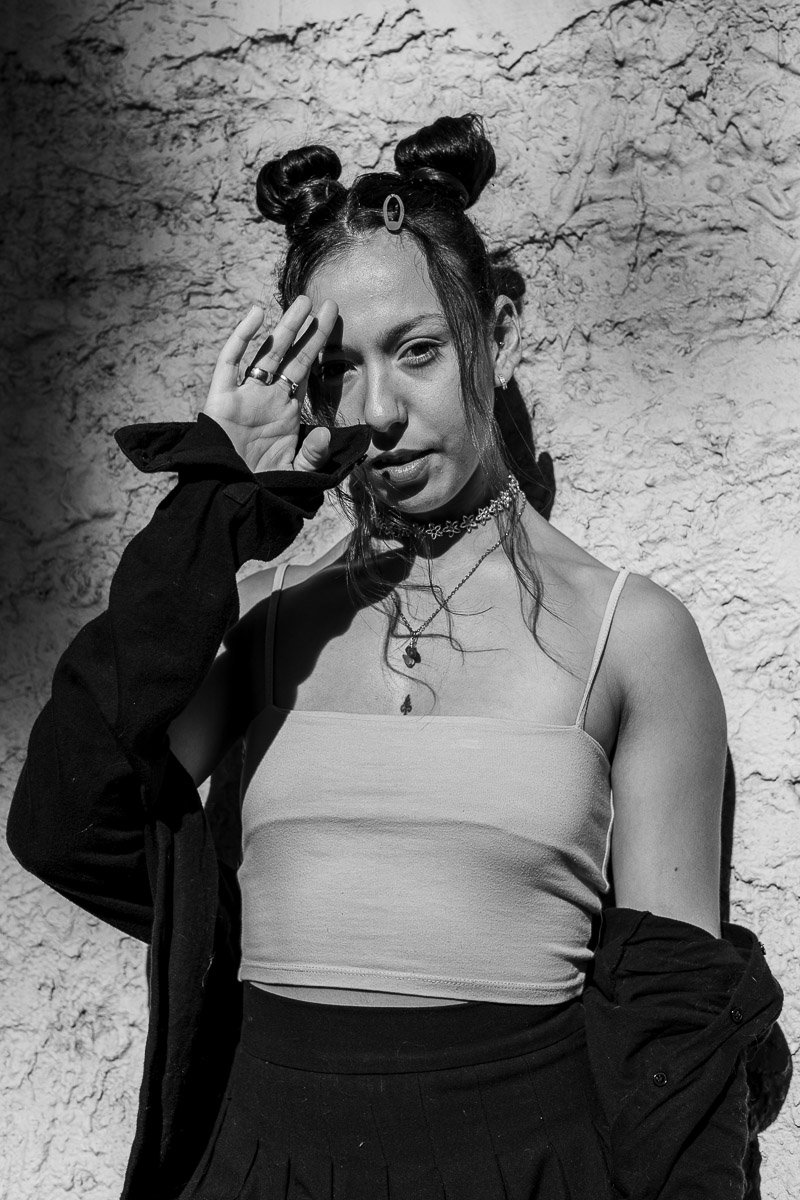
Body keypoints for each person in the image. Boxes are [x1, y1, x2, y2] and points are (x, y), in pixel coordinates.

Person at [6, 114, 785, 1200]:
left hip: (535, 1172)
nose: (375, 412)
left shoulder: (631, 634)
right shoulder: (264, 618)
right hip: (259, 1168)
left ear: (498, 334)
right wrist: (219, 494)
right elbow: (65, 813)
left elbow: (672, 1025)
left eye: (416, 351)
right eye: (337, 367)